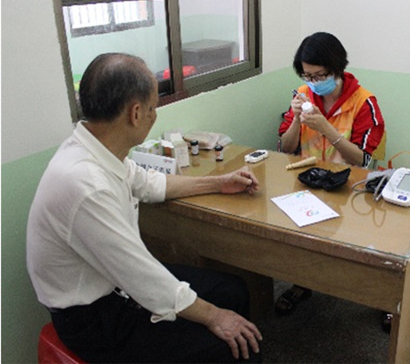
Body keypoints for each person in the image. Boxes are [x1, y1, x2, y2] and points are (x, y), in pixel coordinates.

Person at [26, 53, 263, 363]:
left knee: (232, 290)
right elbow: (141, 275)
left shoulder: (97, 149)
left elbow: (150, 184)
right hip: (94, 318)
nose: (155, 115)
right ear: (136, 113)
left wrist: (219, 183)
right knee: (230, 347)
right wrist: (214, 316)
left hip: (118, 287)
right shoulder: (85, 184)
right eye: (153, 107)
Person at [277, 32, 391, 331]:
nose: (313, 81)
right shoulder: (303, 95)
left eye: (320, 75)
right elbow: (285, 148)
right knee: (300, 240)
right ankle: (302, 283)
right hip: (309, 180)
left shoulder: (364, 103)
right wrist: (297, 120)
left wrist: (327, 128)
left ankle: (382, 298)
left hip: (349, 187)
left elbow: (363, 160)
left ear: (337, 69)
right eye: (307, 75)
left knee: (360, 249)